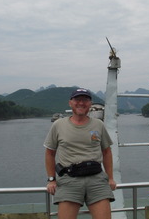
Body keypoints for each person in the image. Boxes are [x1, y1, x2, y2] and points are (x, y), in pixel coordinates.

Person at [44, 88, 116, 219]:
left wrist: (110, 178)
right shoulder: (58, 125)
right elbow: (49, 153)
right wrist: (51, 180)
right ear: (70, 103)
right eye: (77, 99)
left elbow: (106, 152)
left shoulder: (98, 125)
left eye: (85, 100)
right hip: (69, 180)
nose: (81, 103)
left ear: (90, 104)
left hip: (97, 180)